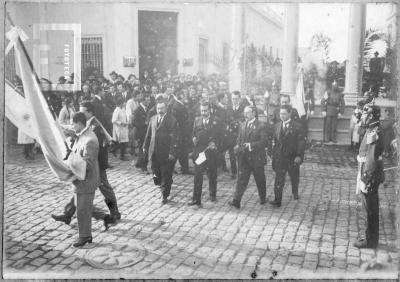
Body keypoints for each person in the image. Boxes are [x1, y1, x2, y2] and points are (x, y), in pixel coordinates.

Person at [52, 102, 120, 227]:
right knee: (79, 188)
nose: (80, 114)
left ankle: (114, 212)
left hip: (97, 164)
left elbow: (93, 148)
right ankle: (67, 214)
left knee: (106, 190)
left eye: (83, 112)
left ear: (90, 113)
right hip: (89, 164)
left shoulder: (95, 127)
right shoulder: (88, 125)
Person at [65, 112, 102, 247]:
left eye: (73, 124)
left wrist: (71, 162)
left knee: (83, 210)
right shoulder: (83, 135)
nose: (72, 126)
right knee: (83, 208)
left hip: (86, 181)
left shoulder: (90, 140)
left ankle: (85, 236)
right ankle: (87, 234)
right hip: (80, 180)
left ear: (80, 123)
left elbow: (88, 165)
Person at [354, 104, 384, 249]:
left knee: (370, 209)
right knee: (369, 208)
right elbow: (360, 131)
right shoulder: (370, 128)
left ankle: (370, 241)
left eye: (364, 114)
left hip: (369, 174)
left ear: (371, 116)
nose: (362, 116)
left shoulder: (374, 131)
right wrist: (361, 121)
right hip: (367, 172)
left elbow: (371, 158)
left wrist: (366, 178)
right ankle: (370, 237)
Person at [228, 106, 268, 209]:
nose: (245, 115)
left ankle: (262, 197)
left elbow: (264, 142)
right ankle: (236, 200)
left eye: (248, 113)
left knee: (260, 179)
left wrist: (250, 145)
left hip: (256, 158)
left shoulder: (261, 125)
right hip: (244, 158)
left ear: (254, 113)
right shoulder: (242, 125)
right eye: (244, 113)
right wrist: (237, 145)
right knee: (241, 179)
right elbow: (239, 138)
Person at [188, 102, 223, 207]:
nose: (203, 113)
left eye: (206, 110)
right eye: (202, 110)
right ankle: (196, 199)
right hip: (200, 153)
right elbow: (193, 133)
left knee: (212, 175)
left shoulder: (217, 121)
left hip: (211, 153)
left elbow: (221, 137)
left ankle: (212, 194)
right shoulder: (197, 120)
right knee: (198, 175)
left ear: (210, 110)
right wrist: (193, 139)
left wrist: (215, 143)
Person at [270, 105, 306, 207]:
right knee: (279, 179)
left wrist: (299, 155)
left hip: (292, 157)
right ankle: (277, 200)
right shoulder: (277, 126)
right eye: (281, 114)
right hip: (280, 157)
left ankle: (295, 192)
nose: (282, 116)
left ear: (290, 113)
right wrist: (272, 154)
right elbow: (274, 141)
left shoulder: (297, 126)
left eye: (284, 113)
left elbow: (301, 143)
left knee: (294, 176)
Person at [143, 101, 178, 204]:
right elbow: (149, 133)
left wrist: (172, 152)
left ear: (166, 108)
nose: (160, 111)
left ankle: (165, 195)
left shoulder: (172, 120)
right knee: (155, 172)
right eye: (158, 109)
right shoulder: (153, 118)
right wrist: (145, 145)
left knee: (166, 174)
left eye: (162, 108)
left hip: (166, 153)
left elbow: (175, 138)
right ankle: (161, 182)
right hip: (154, 151)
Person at [132, 93, 150, 172]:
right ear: (143, 101)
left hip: (145, 133)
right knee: (143, 149)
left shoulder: (146, 108)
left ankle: (139, 163)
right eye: (147, 100)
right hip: (140, 133)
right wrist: (144, 123)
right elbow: (134, 122)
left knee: (143, 149)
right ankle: (144, 167)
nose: (149, 101)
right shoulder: (137, 110)